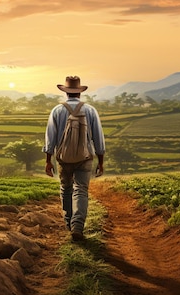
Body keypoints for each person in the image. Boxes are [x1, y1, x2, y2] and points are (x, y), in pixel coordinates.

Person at [43, 76, 105, 242]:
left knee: (66, 188)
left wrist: (48, 161)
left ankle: (69, 223)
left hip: (63, 159)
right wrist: (101, 160)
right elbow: (98, 138)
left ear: (65, 92)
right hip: (85, 158)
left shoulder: (57, 110)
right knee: (81, 190)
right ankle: (78, 226)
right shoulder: (90, 111)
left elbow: (50, 138)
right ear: (79, 92)